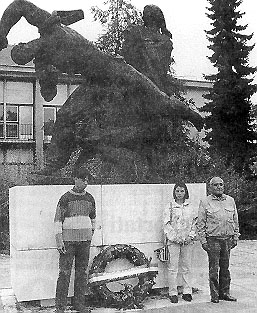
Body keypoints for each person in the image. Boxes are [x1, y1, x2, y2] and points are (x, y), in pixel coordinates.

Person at [54, 167, 96, 313]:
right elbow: (58, 220)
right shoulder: (65, 198)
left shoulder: (90, 198)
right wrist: (59, 241)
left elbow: (93, 219)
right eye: (83, 179)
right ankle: (60, 307)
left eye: (87, 180)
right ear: (75, 179)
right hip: (68, 243)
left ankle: (79, 305)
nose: (86, 182)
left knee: (82, 273)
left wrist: (90, 234)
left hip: (85, 243)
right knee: (64, 273)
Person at [197, 176, 240, 303]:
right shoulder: (205, 202)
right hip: (213, 240)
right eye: (215, 185)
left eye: (221, 184)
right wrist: (203, 241)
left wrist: (235, 236)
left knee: (225, 268)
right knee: (214, 269)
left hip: (227, 240)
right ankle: (215, 295)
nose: (219, 187)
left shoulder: (230, 200)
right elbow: (200, 223)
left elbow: (235, 219)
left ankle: (225, 293)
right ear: (210, 187)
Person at [163, 182, 197, 303]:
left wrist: (190, 236)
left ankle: (187, 292)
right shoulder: (170, 206)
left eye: (182, 191)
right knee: (173, 268)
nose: (179, 194)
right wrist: (175, 237)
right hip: (174, 242)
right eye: (177, 191)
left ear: (186, 192)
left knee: (187, 267)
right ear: (174, 192)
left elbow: (195, 223)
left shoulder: (190, 207)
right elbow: (166, 224)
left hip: (187, 241)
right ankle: (173, 293)